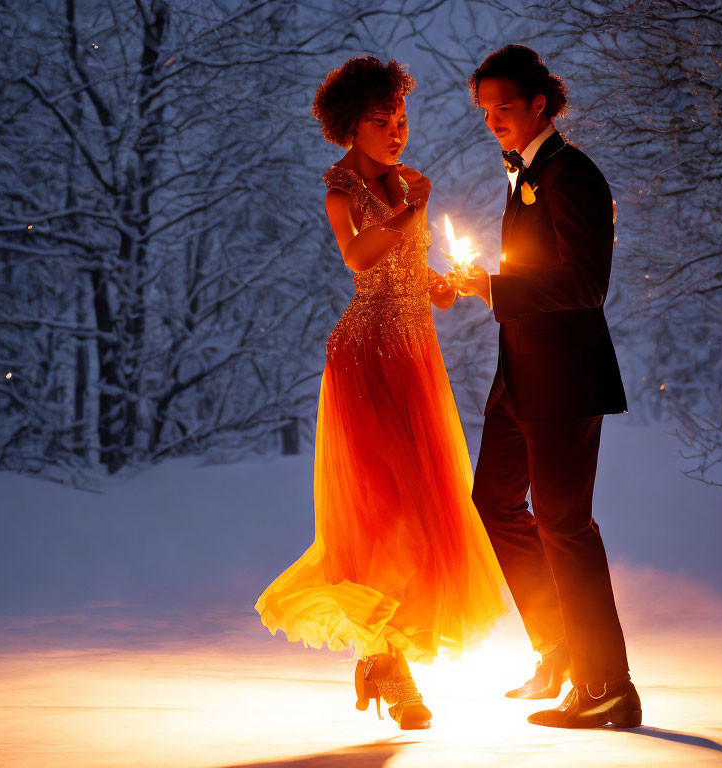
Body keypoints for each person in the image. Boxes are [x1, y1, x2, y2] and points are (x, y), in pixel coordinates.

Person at [254, 56, 506, 731]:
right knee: (384, 517)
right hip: (367, 361)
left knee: (427, 516)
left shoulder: (405, 182)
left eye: (400, 119)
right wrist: (412, 209)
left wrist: (437, 284)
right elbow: (360, 258)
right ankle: (392, 669)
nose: (396, 131)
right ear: (349, 127)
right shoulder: (344, 190)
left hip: (416, 358)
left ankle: (382, 656)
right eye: (380, 121)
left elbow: (401, 259)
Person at [459, 44, 642, 729]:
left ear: (539, 104)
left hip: (565, 380)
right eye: (485, 110)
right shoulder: (524, 175)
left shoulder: (574, 176)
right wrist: (483, 286)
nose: (493, 120)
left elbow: (588, 285)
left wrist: (495, 287)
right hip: (520, 376)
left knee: (567, 526)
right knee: (495, 501)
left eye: (503, 107)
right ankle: (561, 650)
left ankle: (607, 687)